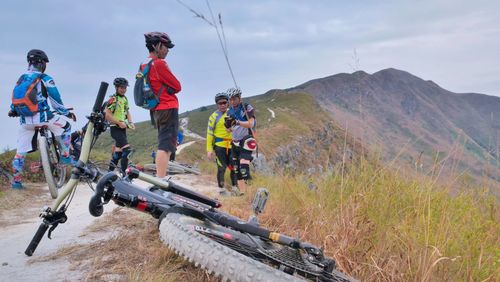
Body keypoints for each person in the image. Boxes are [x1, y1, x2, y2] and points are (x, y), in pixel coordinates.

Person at [8, 49, 75, 189]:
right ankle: (64, 155)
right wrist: (66, 113)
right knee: (66, 127)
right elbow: (56, 101)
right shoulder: (46, 78)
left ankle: (16, 182)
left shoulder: (21, 78)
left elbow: (17, 98)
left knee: (20, 152)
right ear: (42, 63)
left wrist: (13, 110)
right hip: (44, 118)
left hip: (25, 121)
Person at [141, 32, 181, 179]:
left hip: (156, 108)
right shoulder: (159, 64)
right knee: (166, 145)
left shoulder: (144, 64)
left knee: (165, 142)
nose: (167, 50)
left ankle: (161, 177)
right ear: (156, 46)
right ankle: (161, 179)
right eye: (165, 47)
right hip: (167, 106)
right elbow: (177, 86)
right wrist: (170, 88)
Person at [225, 87, 257, 195]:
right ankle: (243, 194)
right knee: (236, 170)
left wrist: (238, 122)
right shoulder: (229, 111)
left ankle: (252, 191)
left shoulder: (246, 107)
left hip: (247, 138)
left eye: (234, 98)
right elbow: (229, 130)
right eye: (230, 99)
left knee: (243, 168)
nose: (232, 101)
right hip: (235, 142)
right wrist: (228, 126)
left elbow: (251, 123)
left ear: (239, 97)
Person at [207, 92, 238, 195]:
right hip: (219, 146)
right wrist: (209, 149)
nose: (223, 105)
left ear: (228, 103)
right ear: (217, 104)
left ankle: (235, 188)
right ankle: (221, 189)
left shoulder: (232, 113)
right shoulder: (213, 117)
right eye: (220, 103)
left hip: (232, 145)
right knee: (222, 168)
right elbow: (210, 134)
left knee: (234, 167)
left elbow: (239, 128)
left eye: (225, 102)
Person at [104, 77, 135, 173]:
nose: (123, 90)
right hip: (115, 128)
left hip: (122, 128)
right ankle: (124, 175)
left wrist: (130, 122)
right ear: (116, 88)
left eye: (125, 88)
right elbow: (107, 115)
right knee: (127, 150)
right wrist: (119, 123)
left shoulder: (125, 99)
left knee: (118, 154)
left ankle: (108, 174)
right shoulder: (113, 99)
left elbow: (127, 111)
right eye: (121, 87)